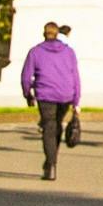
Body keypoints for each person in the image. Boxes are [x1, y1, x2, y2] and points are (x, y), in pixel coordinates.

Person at [17, 22, 84, 179]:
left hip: (45, 93)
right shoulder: (69, 52)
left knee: (49, 126)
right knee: (57, 125)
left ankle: (51, 164)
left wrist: (28, 94)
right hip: (65, 94)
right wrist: (76, 100)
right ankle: (52, 161)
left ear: (44, 34)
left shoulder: (35, 52)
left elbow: (26, 77)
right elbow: (75, 77)